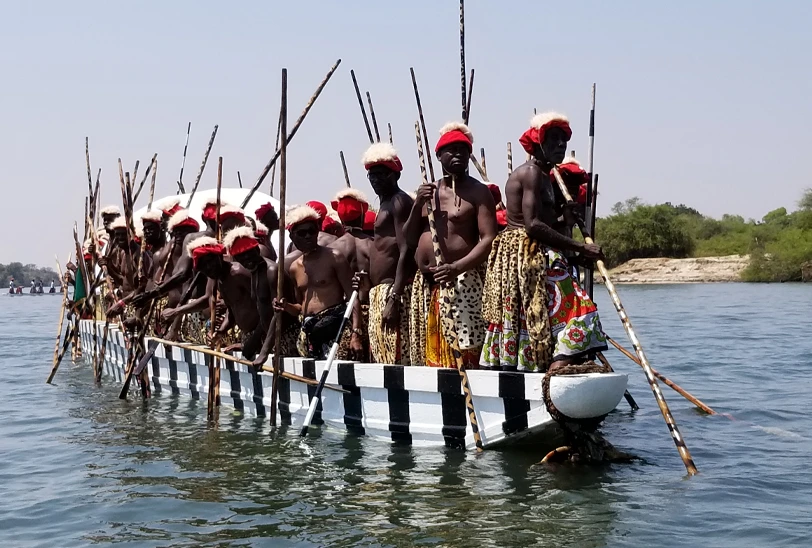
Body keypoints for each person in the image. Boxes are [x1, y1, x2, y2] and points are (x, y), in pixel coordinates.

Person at [480, 112, 606, 373]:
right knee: (580, 310)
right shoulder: (531, 173)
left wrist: (564, 218)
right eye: (554, 140)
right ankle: (557, 368)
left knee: (535, 315)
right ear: (538, 143)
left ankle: (542, 366)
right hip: (527, 253)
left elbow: (543, 221)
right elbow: (533, 225)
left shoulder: (545, 176)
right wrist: (581, 247)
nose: (561, 145)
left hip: (531, 251)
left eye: (564, 140)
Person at [404, 122, 496, 368]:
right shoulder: (428, 192)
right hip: (426, 286)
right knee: (430, 350)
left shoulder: (478, 192)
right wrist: (416, 206)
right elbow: (407, 239)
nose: (457, 154)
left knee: (464, 347)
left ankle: (469, 393)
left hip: (460, 282)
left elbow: (488, 238)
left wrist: (456, 267)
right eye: (451, 150)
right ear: (438, 156)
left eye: (463, 150)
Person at [274, 205, 363, 361]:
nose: (308, 236)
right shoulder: (294, 268)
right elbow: (300, 308)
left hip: (336, 329)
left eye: (312, 231)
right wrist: (285, 306)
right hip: (309, 333)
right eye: (302, 233)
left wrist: (356, 334)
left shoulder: (334, 257)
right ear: (292, 236)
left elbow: (352, 297)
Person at [362, 142, 416, 365]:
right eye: (371, 176)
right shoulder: (384, 202)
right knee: (383, 358)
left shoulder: (399, 201)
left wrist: (394, 298)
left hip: (394, 292)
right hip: (381, 291)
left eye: (380, 175)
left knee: (395, 359)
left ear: (395, 175)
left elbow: (406, 248)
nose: (375, 180)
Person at [223, 226, 280, 365]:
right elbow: (262, 312)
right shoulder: (255, 271)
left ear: (257, 249)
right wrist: (248, 342)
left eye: (249, 253)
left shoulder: (271, 271)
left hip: (281, 336)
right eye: (241, 256)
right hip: (267, 337)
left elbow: (278, 313)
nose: (247, 258)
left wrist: (264, 351)